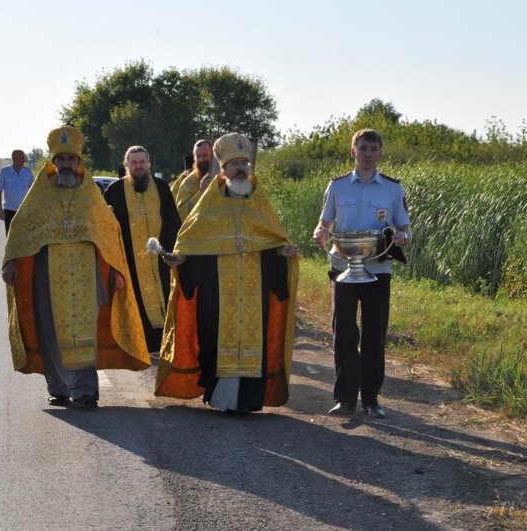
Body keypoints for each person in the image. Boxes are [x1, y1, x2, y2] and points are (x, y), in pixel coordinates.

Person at [1, 126, 150, 409]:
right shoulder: (39, 194)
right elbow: (20, 227)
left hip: (86, 270)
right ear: (53, 162)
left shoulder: (90, 193)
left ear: (78, 162)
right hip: (47, 269)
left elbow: (108, 231)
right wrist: (9, 261)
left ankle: (85, 392)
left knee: (84, 329)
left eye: (71, 159)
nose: (66, 164)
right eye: (61, 160)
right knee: (50, 328)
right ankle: (58, 388)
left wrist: (116, 270)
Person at [156, 133, 299, 414]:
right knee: (215, 339)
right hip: (217, 293)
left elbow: (272, 240)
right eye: (234, 164)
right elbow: (192, 240)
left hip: (254, 290)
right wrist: (181, 258)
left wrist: (281, 253)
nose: (241, 168)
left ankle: (248, 400)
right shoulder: (208, 205)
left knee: (253, 341)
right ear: (222, 171)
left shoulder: (260, 203)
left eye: (245, 163)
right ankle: (221, 397)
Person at [312, 129, 411, 418]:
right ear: (353, 151)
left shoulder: (393, 189)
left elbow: (405, 227)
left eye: (373, 149)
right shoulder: (338, 186)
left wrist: (403, 237)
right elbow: (324, 223)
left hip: (378, 269)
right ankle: (345, 399)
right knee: (343, 333)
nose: (368, 154)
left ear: (380, 153)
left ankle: (371, 399)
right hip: (342, 269)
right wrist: (320, 233)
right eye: (363, 148)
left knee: (374, 335)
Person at [104, 146, 182, 354]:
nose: (139, 166)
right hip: (130, 262)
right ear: (126, 165)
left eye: (142, 162)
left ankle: (165, 344)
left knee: (164, 298)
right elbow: (105, 229)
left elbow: (174, 221)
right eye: (134, 162)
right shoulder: (114, 191)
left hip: (160, 260)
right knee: (136, 304)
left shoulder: (162, 188)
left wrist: (175, 250)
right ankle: (140, 347)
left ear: (148, 164)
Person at [0, 149, 34, 234]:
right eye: (22, 158)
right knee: (10, 237)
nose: (24, 160)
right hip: (9, 211)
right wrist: (0, 210)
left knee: (24, 237)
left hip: (24, 211)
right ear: (14, 159)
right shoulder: (4, 172)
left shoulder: (28, 172)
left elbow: (33, 191)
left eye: (24, 158)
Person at [174, 139, 213, 221]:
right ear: (194, 158)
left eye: (205, 155)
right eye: (198, 156)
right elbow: (181, 213)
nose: (201, 159)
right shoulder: (188, 182)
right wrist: (200, 192)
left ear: (213, 155)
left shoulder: (225, 176)